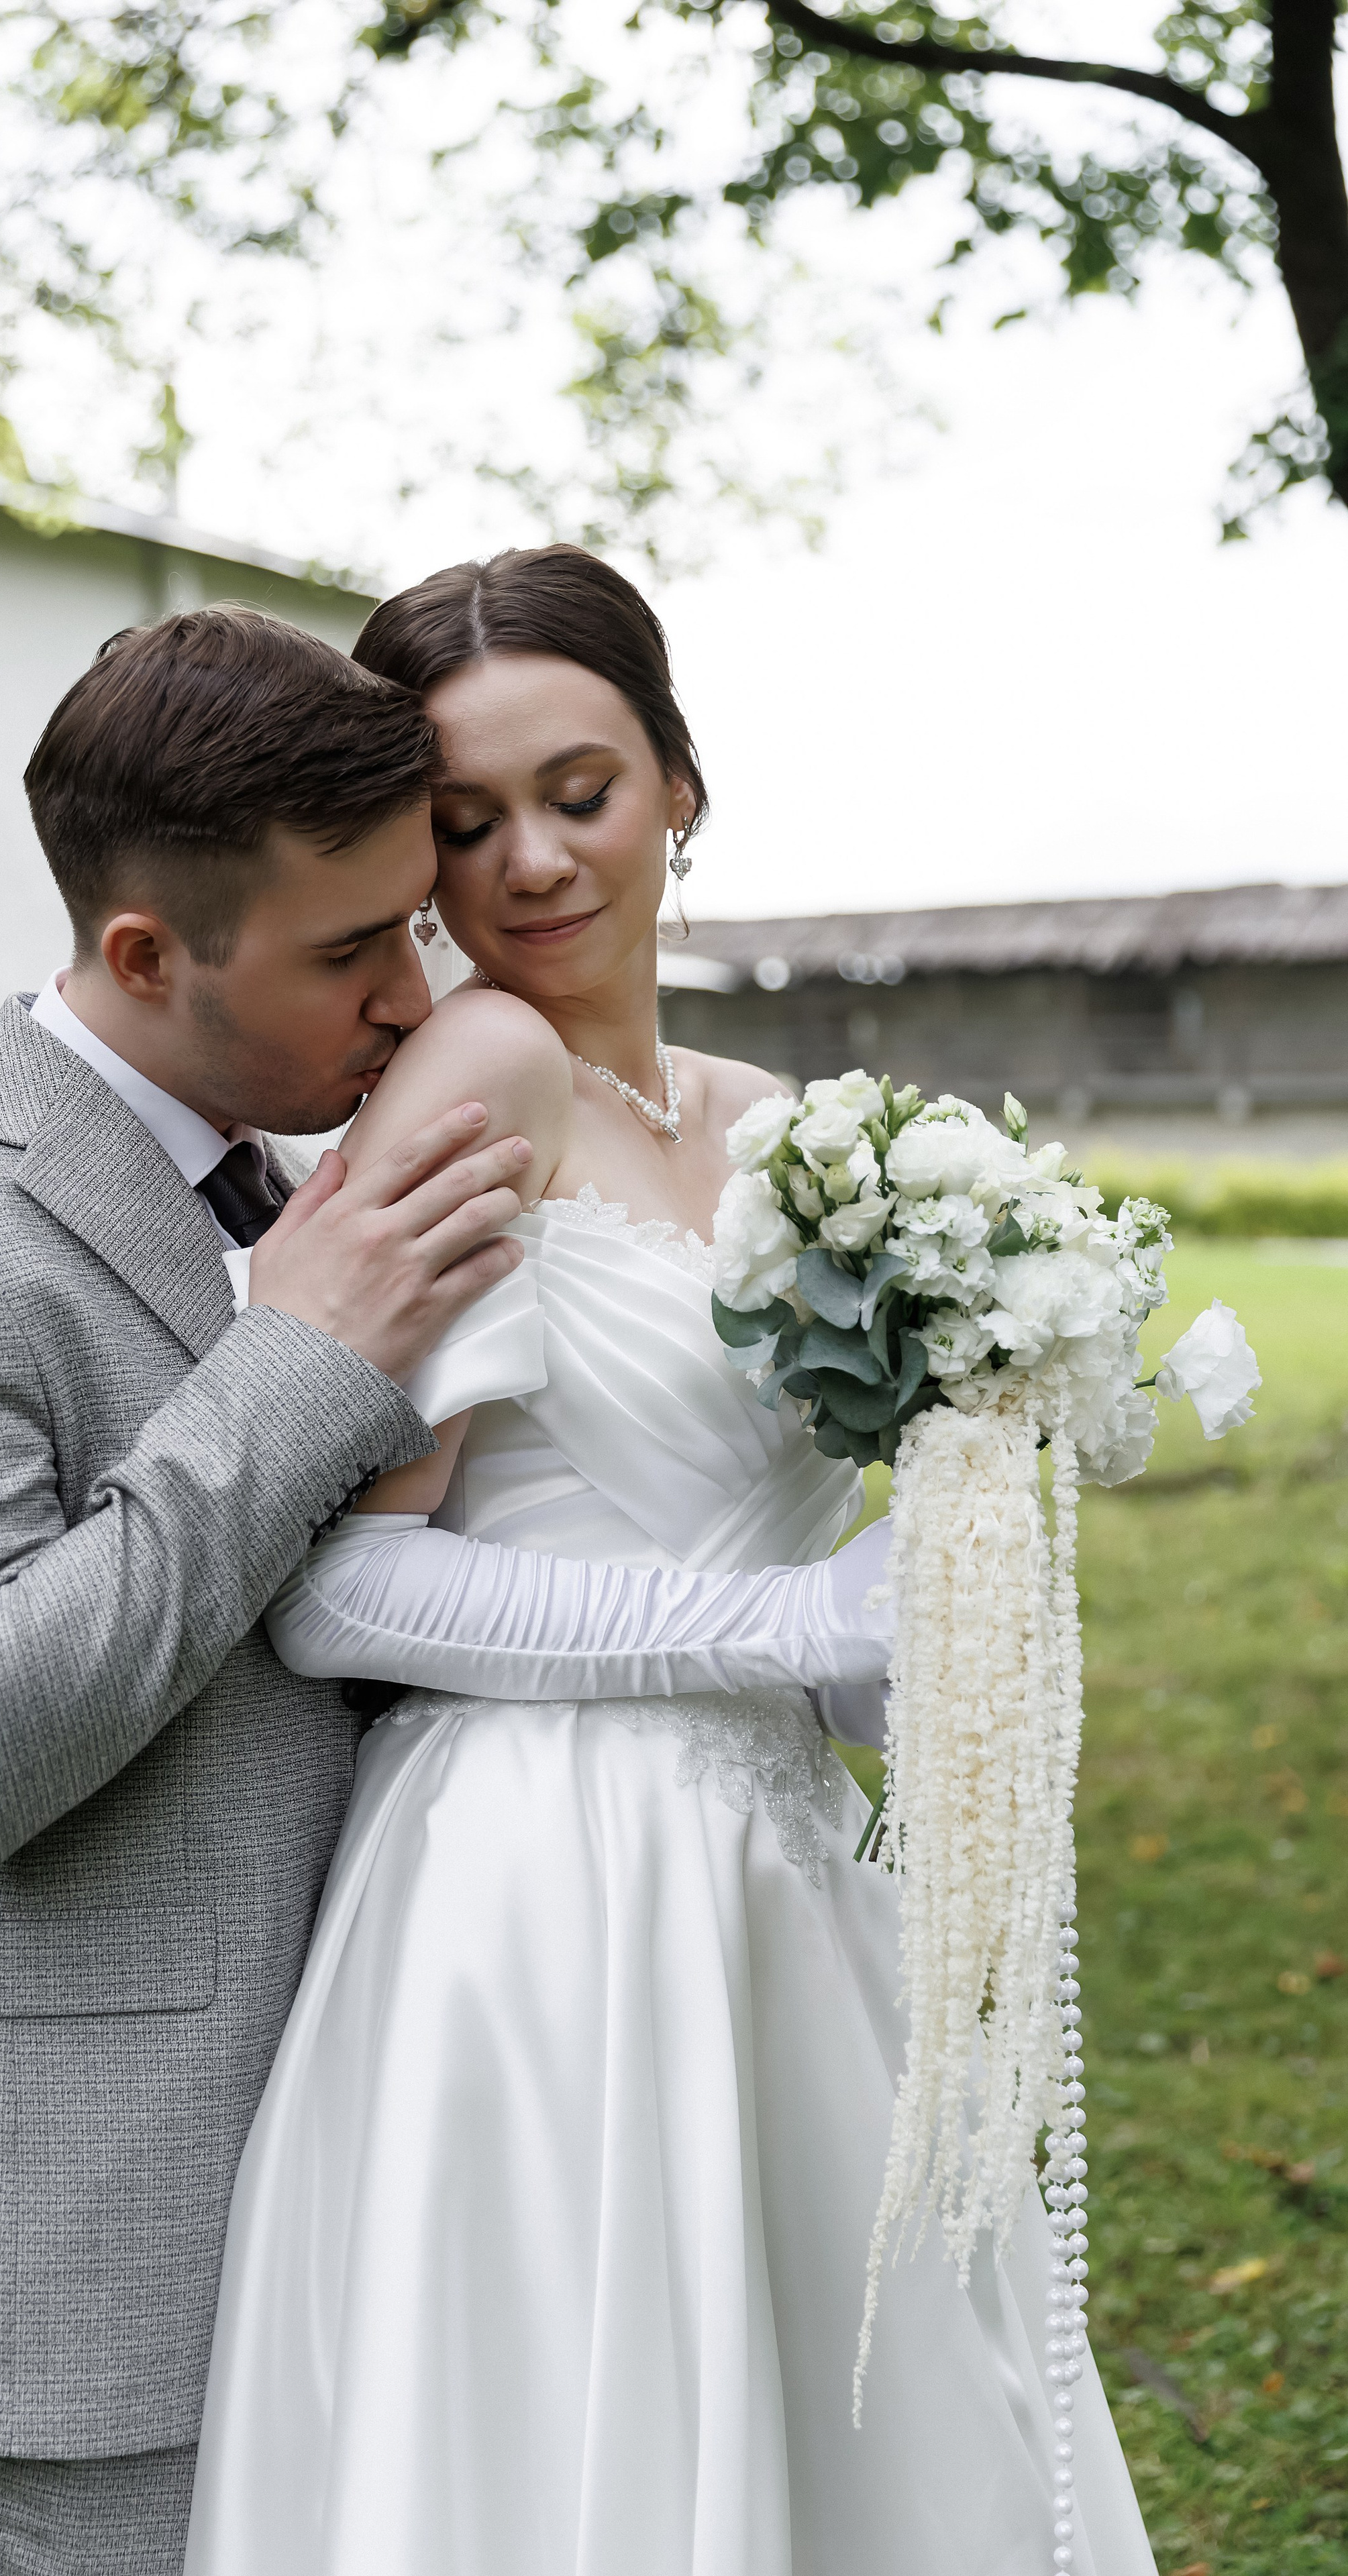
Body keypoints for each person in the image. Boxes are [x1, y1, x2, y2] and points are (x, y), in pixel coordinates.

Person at [0, 603, 904, 2576]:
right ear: (145, 954)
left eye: (413, 929)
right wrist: (289, 1365)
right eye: (355, 950)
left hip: (413, 2147)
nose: (415, 995)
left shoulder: (317, 1179)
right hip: (73, 2251)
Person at [183, 548, 1158, 2575]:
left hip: (777, 1872)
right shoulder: (479, 1078)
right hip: (547, 1885)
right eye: (464, 824)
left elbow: (809, 1530)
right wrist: (785, 1624)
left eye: (583, 789)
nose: (531, 862)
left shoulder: (799, 1132)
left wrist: (915, 1625)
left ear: (682, 783)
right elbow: (345, 1594)